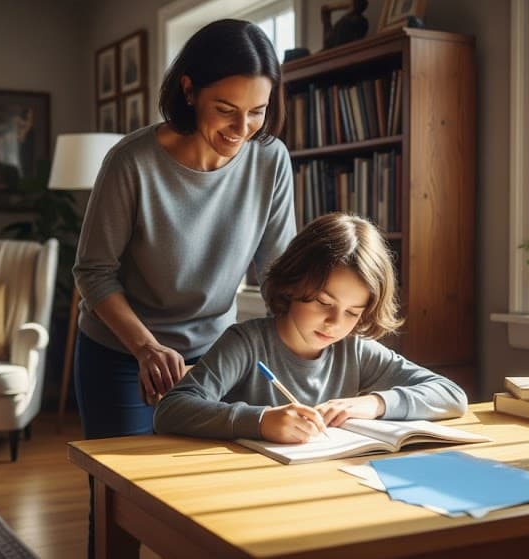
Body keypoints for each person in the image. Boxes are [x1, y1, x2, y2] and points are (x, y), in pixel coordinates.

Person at [73, 18, 296, 441]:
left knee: (208, 476)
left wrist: (298, 344)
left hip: (217, 354)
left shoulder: (271, 160)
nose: (241, 130)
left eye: (257, 112)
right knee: (123, 478)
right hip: (123, 352)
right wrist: (145, 347)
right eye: (226, 110)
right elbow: (93, 272)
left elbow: (278, 272)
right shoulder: (131, 162)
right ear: (190, 91)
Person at [154, 213, 468, 442]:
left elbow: (452, 395)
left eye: (353, 312)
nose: (335, 323)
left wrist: (375, 403)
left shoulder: (354, 350)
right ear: (292, 284)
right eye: (323, 302)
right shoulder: (246, 343)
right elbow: (171, 410)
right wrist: (260, 421)